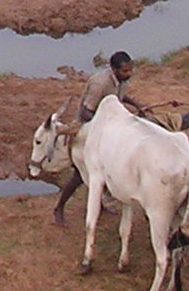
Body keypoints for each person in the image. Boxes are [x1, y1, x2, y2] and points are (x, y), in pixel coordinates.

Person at [50, 51, 134, 227]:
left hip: (107, 129)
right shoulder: (99, 83)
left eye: (130, 70)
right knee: (80, 176)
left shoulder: (121, 80)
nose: (129, 74)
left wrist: (137, 105)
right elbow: (86, 112)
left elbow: (119, 97)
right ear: (114, 69)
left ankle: (100, 204)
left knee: (105, 168)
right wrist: (108, 125)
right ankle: (59, 208)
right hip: (88, 130)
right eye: (125, 71)